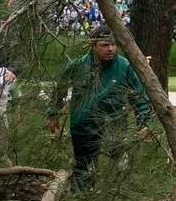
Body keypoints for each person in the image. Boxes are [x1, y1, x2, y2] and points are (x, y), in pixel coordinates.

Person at [48, 25, 153, 189]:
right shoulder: (78, 65)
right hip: (83, 127)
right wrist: (53, 113)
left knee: (119, 168)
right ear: (93, 45)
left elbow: (139, 97)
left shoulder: (124, 66)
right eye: (105, 45)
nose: (110, 49)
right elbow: (59, 89)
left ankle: (115, 198)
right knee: (84, 171)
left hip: (114, 127)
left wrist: (144, 123)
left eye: (113, 44)